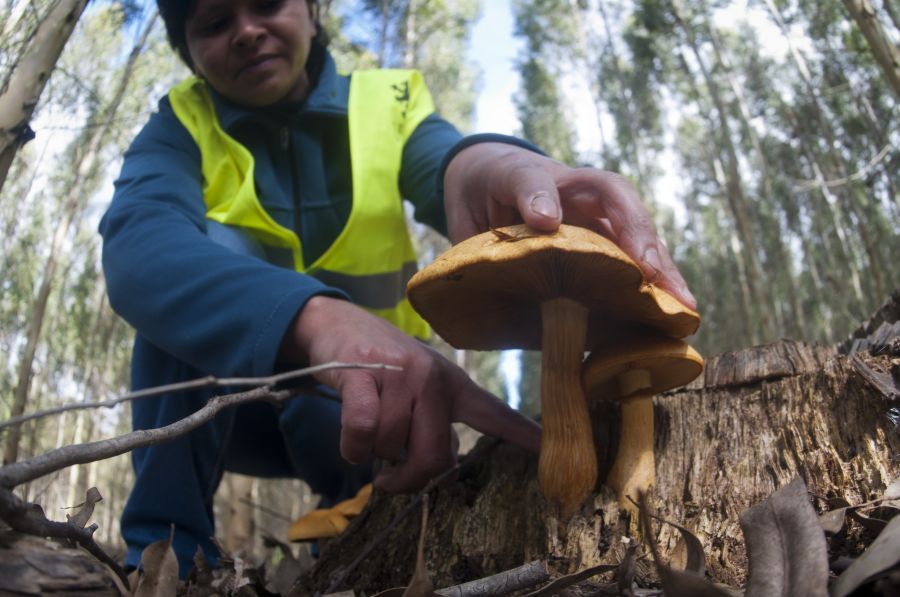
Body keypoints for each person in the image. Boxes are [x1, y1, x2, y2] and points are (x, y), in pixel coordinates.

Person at [99, 0, 696, 577]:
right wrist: (316, 320)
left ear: (311, 8)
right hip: (229, 414)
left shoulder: (388, 99)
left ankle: (350, 538)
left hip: (374, 413)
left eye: (267, 3)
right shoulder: (180, 121)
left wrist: (491, 164)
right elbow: (139, 244)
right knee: (189, 261)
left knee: (353, 496)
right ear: (189, 51)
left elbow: (448, 161)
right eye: (215, 21)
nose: (248, 31)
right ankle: (161, 562)